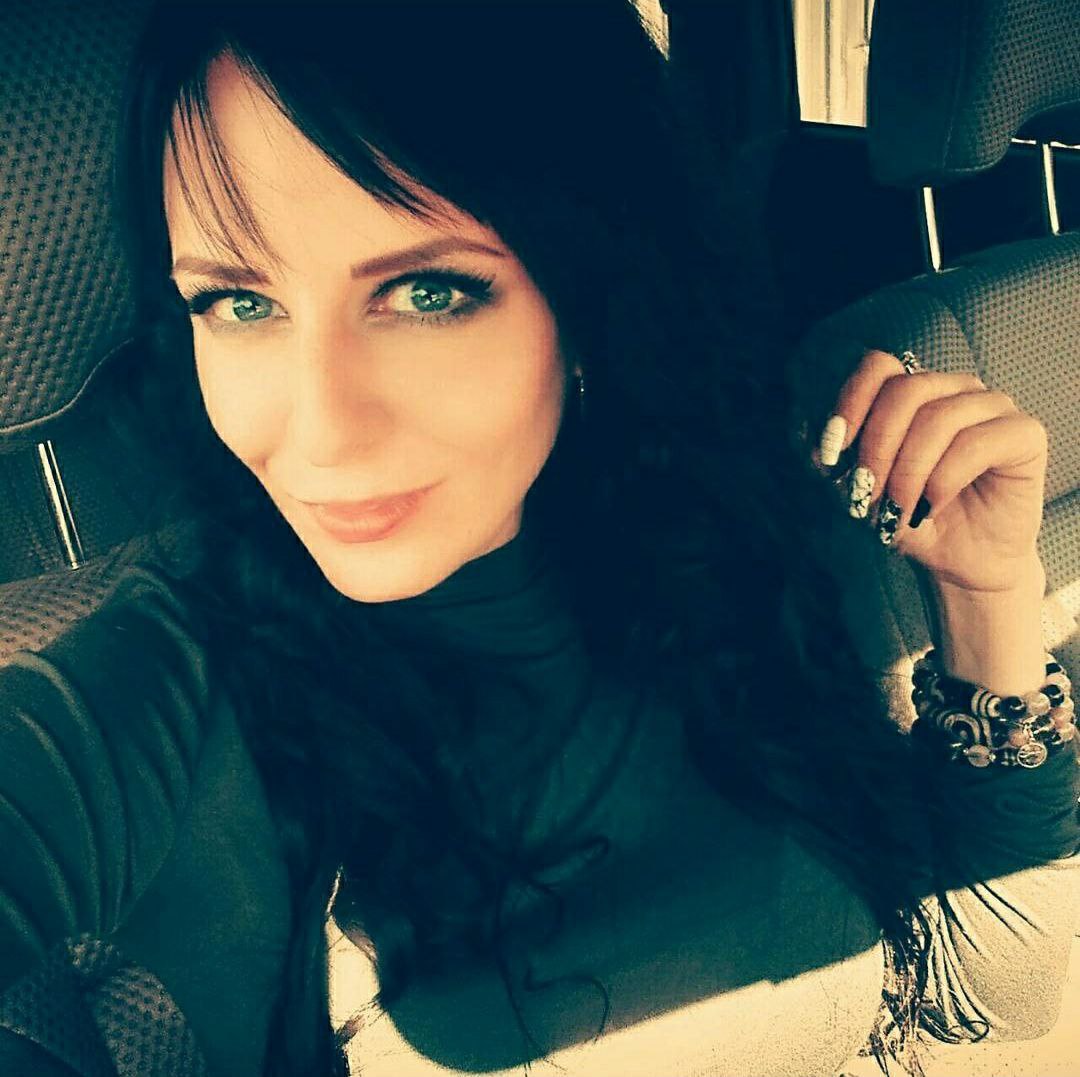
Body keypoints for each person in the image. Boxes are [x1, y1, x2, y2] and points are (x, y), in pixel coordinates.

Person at [1, 2, 1077, 1075]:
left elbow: (1003, 996)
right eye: (238, 303)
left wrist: (987, 594)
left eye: (426, 292)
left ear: (591, 291)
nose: (322, 432)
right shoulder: (173, 686)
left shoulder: (761, 529)